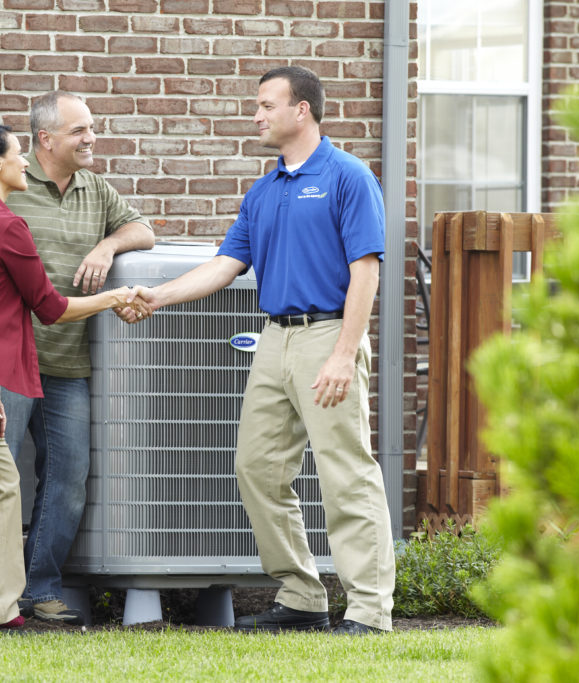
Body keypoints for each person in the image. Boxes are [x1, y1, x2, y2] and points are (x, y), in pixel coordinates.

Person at [120, 66, 395, 635]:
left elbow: (365, 270)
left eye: (267, 105)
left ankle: (370, 610)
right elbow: (225, 265)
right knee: (256, 468)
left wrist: (345, 352)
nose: (257, 115)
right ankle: (301, 595)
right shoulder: (263, 191)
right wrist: (157, 297)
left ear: (303, 111)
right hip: (274, 339)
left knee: (346, 474)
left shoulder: (348, 176)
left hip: (328, 335)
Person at [0, 92, 155, 626]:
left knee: (3, 486)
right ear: (7, 158)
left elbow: (142, 229)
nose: (91, 137)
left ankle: (6, 605)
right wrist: (117, 297)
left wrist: (108, 247)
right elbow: (47, 306)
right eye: (80, 129)